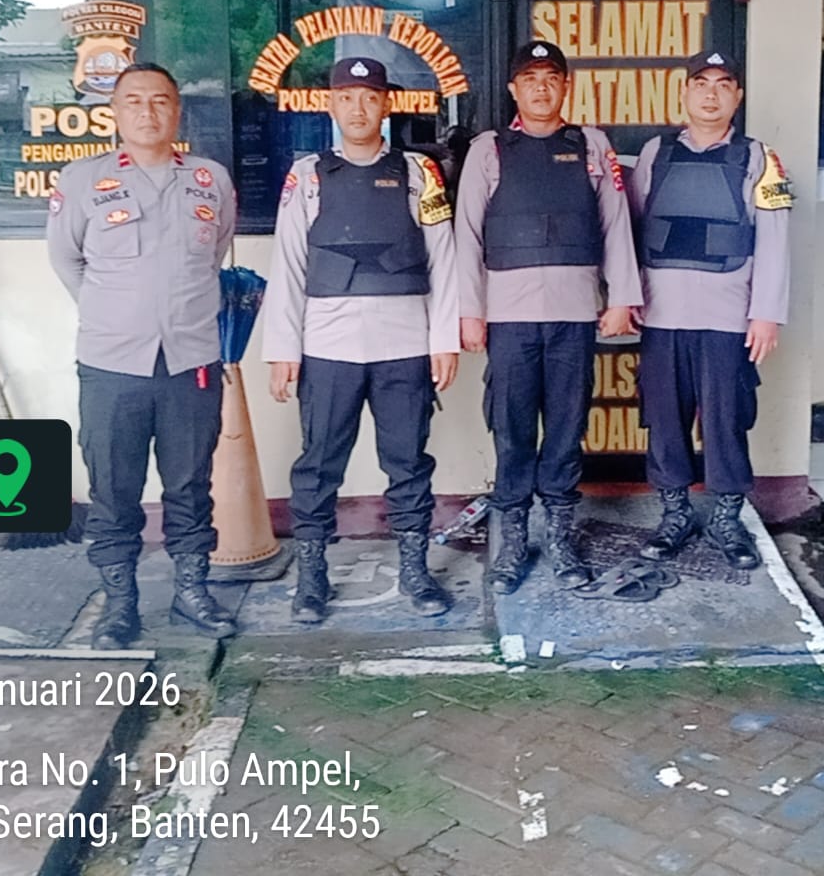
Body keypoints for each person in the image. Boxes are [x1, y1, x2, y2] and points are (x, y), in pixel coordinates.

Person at [47, 63, 239, 649]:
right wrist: (116, 312)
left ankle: (192, 594)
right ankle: (120, 604)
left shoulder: (209, 179)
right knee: (113, 489)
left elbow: (214, 255)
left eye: (160, 101)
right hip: (111, 365)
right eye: (134, 101)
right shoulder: (83, 180)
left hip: (191, 360)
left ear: (177, 111)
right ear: (115, 112)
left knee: (191, 485)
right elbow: (66, 259)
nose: (148, 112)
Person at [263, 57, 460, 623]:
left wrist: (443, 339)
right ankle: (312, 577)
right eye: (347, 97)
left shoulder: (420, 173)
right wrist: (282, 350)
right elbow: (289, 265)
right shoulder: (308, 176)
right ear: (331, 104)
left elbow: (443, 258)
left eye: (370, 97)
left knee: (408, 462)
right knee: (319, 465)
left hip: (405, 345)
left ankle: (415, 571)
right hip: (328, 348)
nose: (358, 108)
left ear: (386, 105)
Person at [456, 40, 641, 594]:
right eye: (530, 78)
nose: (541, 87)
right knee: (511, 429)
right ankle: (513, 542)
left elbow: (615, 225)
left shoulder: (591, 145)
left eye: (551, 78)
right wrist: (469, 311)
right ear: (513, 89)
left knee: (566, 427)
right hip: (509, 317)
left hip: (573, 314)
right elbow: (466, 235)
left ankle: (560, 537)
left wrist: (621, 298)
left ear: (566, 87)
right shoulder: (489, 150)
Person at [627, 50, 792, 570]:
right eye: (701, 83)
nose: (711, 93)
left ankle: (726, 519)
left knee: (726, 420)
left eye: (723, 84)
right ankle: (674, 514)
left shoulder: (760, 158)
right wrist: (627, 295)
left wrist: (766, 313)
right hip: (661, 315)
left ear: (737, 96)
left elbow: (774, 238)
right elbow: (632, 228)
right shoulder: (655, 153)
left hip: (728, 317)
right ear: (684, 93)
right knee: (664, 420)